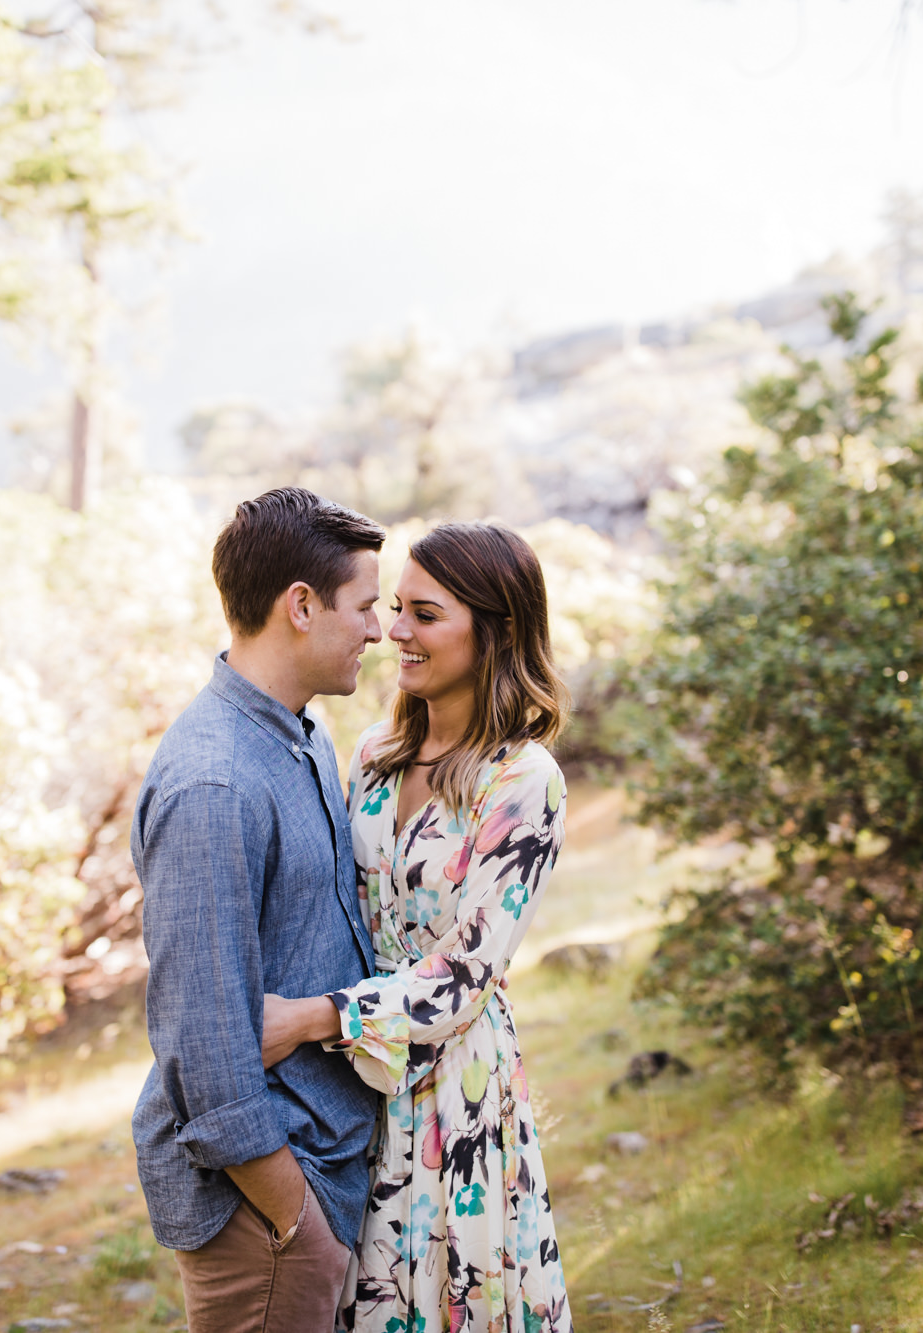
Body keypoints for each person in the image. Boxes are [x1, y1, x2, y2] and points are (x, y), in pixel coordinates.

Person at [262, 522, 574, 1333]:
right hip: (352, 1090)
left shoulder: (523, 778)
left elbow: (468, 974)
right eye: (395, 607)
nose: (393, 630)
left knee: (452, 1299)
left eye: (424, 614)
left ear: (495, 628)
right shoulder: (374, 752)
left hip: (454, 1091)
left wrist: (309, 1017)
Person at [132, 486, 388, 1333]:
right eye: (364, 607)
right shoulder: (214, 782)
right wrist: (292, 1221)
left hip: (321, 1165)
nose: (379, 631)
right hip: (267, 1203)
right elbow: (204, 1045)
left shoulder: (301, 733)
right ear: (301, 607)